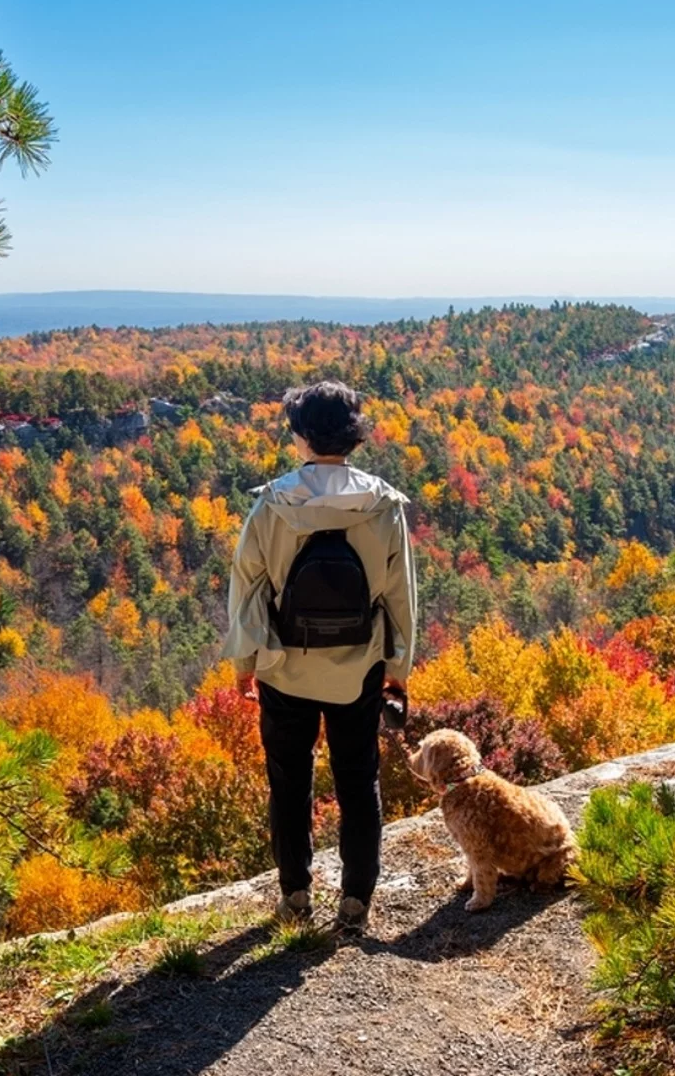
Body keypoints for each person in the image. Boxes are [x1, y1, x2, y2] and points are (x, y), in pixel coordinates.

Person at [224, 380, 416, 937]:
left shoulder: (274, 503)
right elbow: (400, 593)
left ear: (301, 435)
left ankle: (296, 895)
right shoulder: (383, 506)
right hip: (360, 667)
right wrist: (397, 669)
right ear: (352, 437)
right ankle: (355, 901)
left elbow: (248, 588)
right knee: (359, 780)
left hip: (285, 664)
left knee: (289, 780)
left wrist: (245, 664)